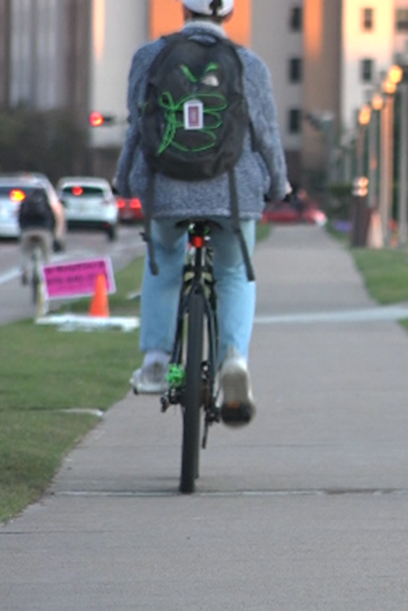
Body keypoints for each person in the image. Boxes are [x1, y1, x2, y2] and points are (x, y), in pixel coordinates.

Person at [115, 0, 290, 427]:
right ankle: (234, 359)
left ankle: (157, 360)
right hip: (232, 191)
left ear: (183, 10)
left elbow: (137, 127)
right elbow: (265, 133)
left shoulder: (149, 57)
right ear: (228, 15)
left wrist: (123, 179)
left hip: (166, 189)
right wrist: (279, 183)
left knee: (165, 269)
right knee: (233, 274)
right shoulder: (248, 63)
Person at [17, 188, 59, 286]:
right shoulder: (45, 203)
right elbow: (53, 219)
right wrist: (52, 232)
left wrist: (23, 230)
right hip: (43, 231)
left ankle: (25, 274)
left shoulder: (25, 202)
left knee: (26, 254)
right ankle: (50, 277)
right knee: (47, 255)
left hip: (28, 231)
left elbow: (20, 218)